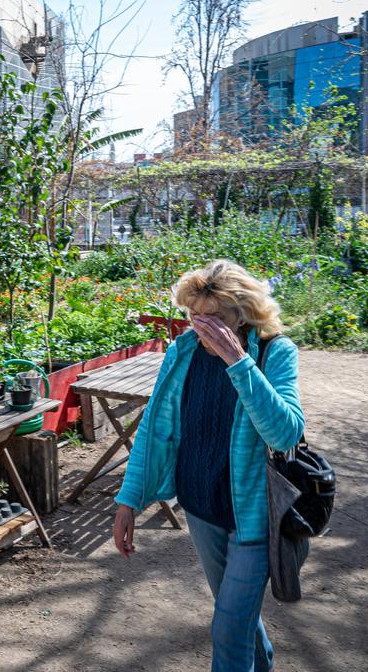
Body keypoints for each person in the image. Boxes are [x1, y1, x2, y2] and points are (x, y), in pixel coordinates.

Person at [113, 259, 303, 672]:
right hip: (200, 507)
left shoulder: (275, 352)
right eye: (194, 316)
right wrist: (129, 500)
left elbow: (285, 433)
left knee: (228, 630)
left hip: (253, 517)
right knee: (235, 616)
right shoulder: (182, 352)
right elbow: (153, 428)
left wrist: (237, 360)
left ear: (244, 315)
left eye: (213, 318)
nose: (201, 327)